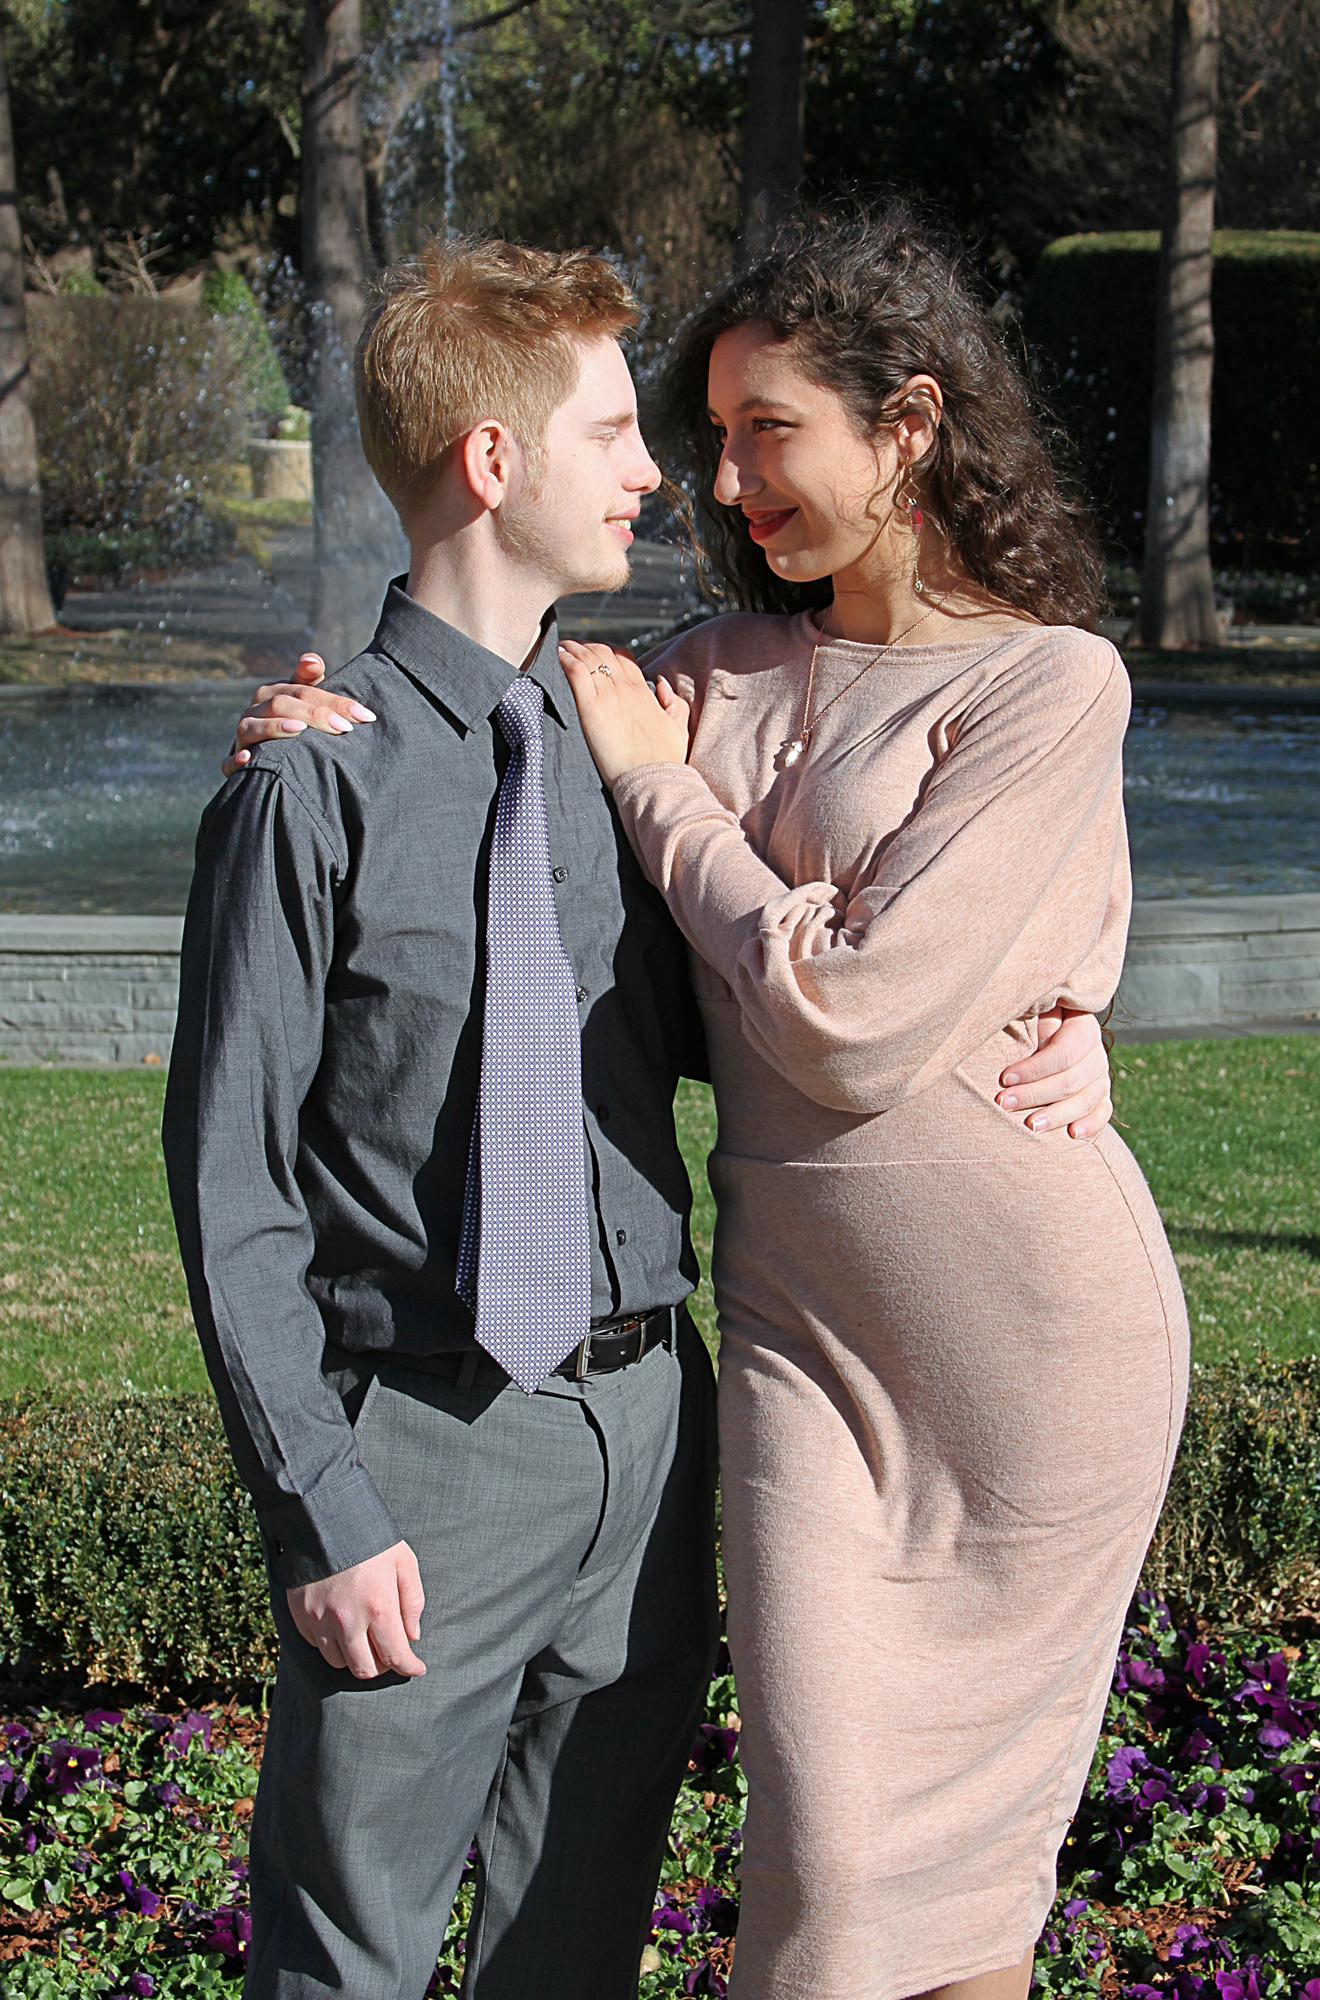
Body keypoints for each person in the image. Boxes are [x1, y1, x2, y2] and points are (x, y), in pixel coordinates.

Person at [194, 231, 1117, 2000]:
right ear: (492, 463)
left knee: (580, 1940)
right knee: (351, 1953)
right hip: (448, 1443)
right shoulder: (357, 762)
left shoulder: (622, 730)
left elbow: (869, 955)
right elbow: (233, 1178)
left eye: (707, 429)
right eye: (631, 431)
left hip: (667, 1418)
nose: (671, 474)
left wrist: (1080, 1019)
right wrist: (317, 1496)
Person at [554, 207, 1191, 2000]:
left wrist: (670, 812)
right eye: (720, 436)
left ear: (908, 425)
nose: (734, 481)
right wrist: (310, 742)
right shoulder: (712, 670)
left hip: (1034, 1358)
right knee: (829, 1866)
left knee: (965, 1894)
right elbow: (481, 736)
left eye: (775, 431)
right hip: (804, 1336)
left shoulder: (1050, 681)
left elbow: (851, 1017)